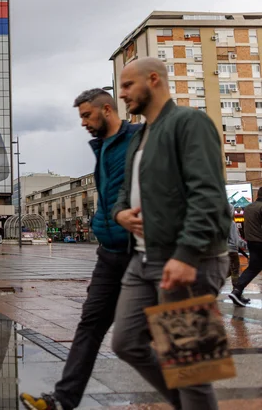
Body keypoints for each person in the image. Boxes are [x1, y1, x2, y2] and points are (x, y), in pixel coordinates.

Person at [111, 58, 230, 410]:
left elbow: (208, 192)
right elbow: (122, 193)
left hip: (189, 261)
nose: (122, 93)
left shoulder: (189, 122)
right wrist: (120, 214)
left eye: (128, 85)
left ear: (154, 80)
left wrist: (187, 254)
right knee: (125, 342)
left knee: (192, 367)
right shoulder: (140, 134)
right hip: (145, 257)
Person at [20, 88, 139, 410]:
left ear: (107, 110)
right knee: (90, 324)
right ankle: (63, 398)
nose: (83, 123)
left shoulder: (139, 138)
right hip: (110, 251)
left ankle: (193, 397)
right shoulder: (102, 147)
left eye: (87, 115)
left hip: (141, 251)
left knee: (150, 336)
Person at [230, 188, 262, 306]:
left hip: (251, 242)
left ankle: (237, 291)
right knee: (253, 268)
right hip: (260, 241)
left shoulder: (248, 207)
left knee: (253, 268)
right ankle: (237, 290)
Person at [226, 204, 246, 291]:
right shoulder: (231, 223)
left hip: (222, 251)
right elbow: (237, 240)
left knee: (227, 271)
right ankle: (236, 292)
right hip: (232, 251)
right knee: (235, 272)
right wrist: (248, 246)